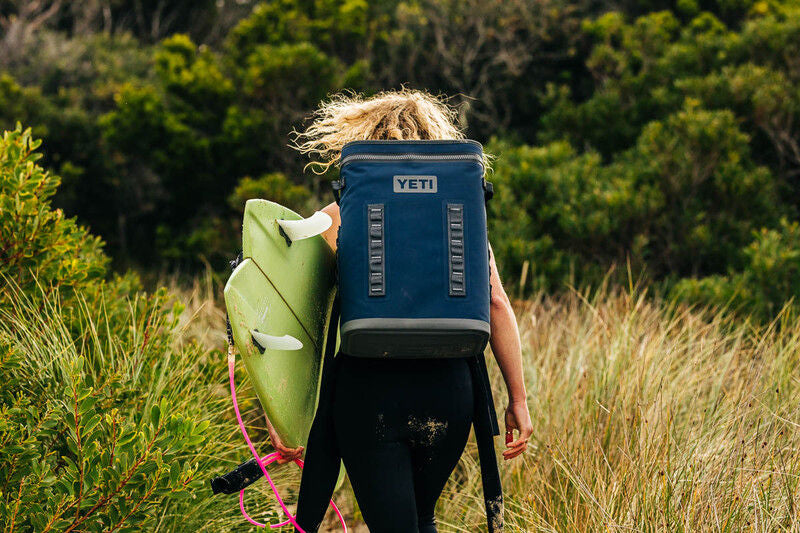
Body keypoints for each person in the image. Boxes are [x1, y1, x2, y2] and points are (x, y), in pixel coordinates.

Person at [265, 89, 532, 533]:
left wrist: (283, 411)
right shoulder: (460, 216)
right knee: (420, 519)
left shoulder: (337, 216)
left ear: (367, 140)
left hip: (369, 392)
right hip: (449, 391)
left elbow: (296, 317)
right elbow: (497, 302)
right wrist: (517, 400)